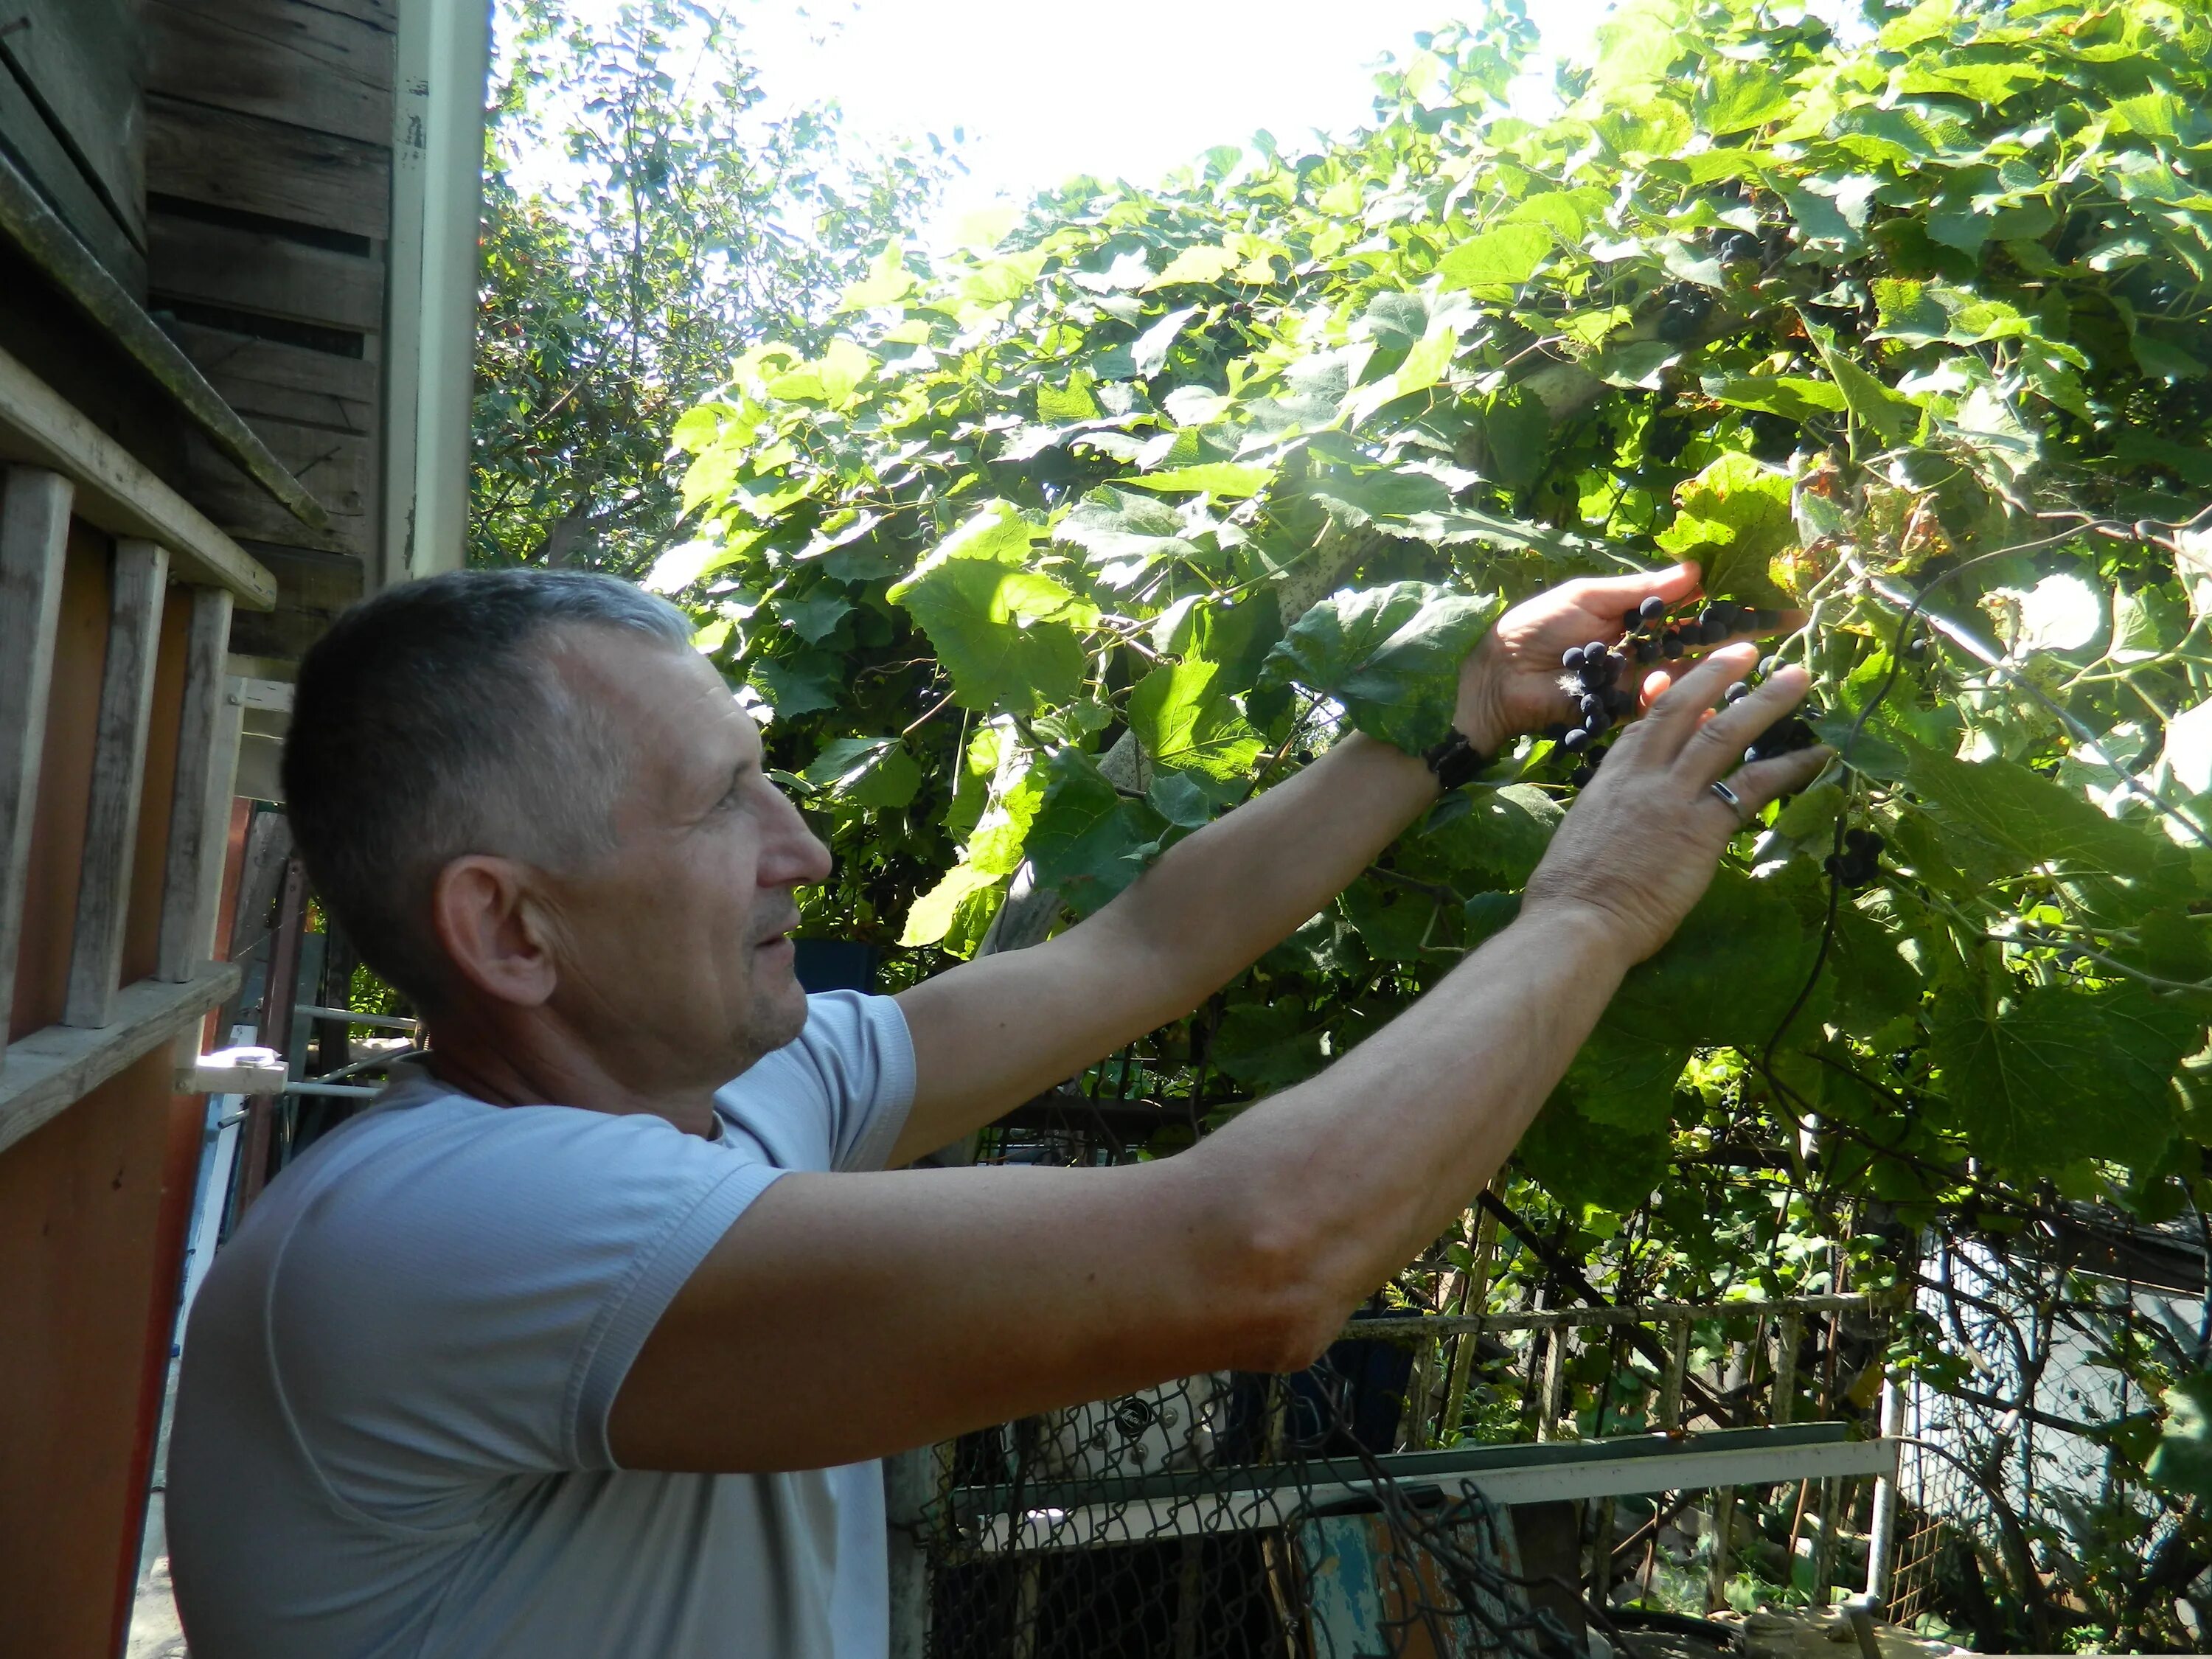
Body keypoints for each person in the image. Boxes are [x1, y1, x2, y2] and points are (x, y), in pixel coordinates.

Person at [167, 563, 1826, 1658]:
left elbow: (1151, 943)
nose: (801, 848)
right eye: (722, 801)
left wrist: (1456, 717)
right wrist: (1592, 906)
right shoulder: (445, 1231)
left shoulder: (737, 1097)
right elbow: (1257, 1254)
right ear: (510, 929)